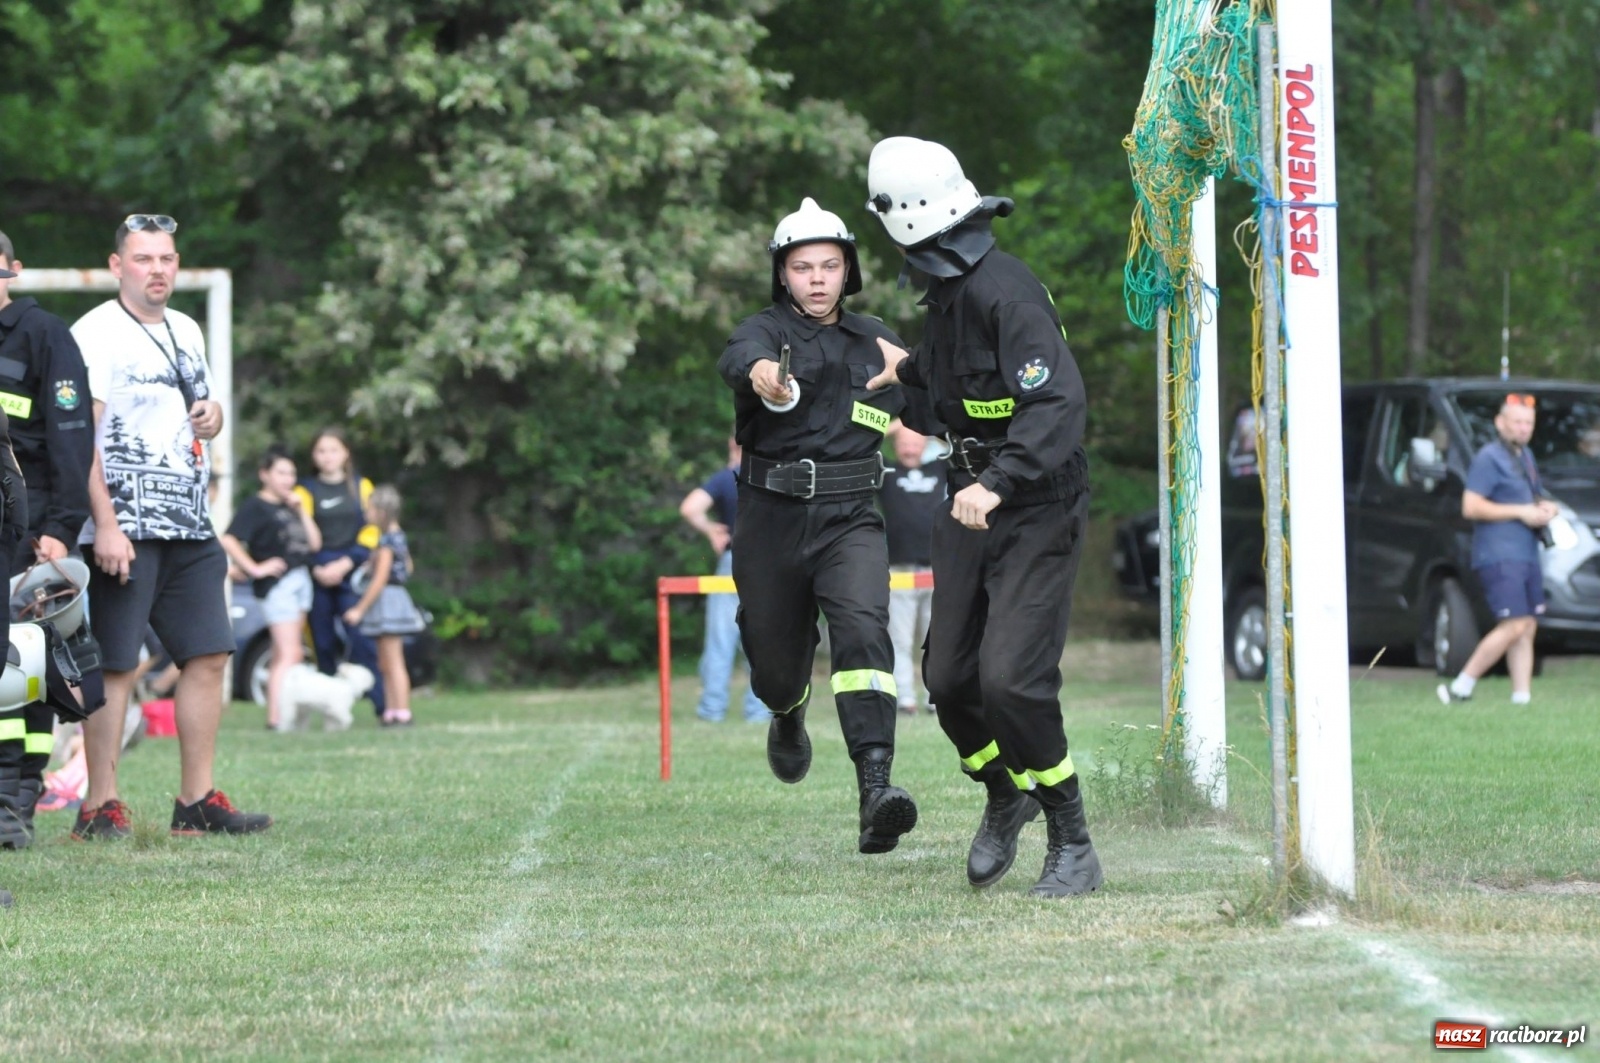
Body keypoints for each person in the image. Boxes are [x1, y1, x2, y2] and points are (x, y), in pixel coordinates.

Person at [863, 136, 1102, 898]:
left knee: (1010, 681)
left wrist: (998, 480)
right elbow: (946, 396)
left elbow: (1057, 401)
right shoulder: (946, 294)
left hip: (1033, 502)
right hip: (969, 499)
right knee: (948, 677)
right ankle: (1006, 794)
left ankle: (1073, 838)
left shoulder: (1006, 293)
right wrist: (894, 379)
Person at [717, 197, 920, 855]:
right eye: (802, 267)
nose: (816, 278)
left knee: (863, 631)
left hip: (852, 518)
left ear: (847, 270)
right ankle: (786, 711)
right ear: (783, 273)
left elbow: (928, 397)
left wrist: (916, 378)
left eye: (829, 265)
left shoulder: (876, 338)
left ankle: (875, 788)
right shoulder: (760, 332)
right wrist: (763, 376)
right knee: (775, 665)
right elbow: (739, 360)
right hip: (770, 518)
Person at [68, 212, 271, 839]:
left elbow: (197, 411)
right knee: (116, 665)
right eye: (143, 258)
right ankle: (99, 806)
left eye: (166, 259)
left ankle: (197, 801)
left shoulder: (187, 328)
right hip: (124, 525)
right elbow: (79, 439)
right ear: (117, 266)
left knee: (208, 654)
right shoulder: (94, 332)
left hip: (190, 520)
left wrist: (213, 416)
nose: (157, 270)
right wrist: (104, 524)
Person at [0, 232, 97, 845]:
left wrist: (61, 528)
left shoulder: (44, 335)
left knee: (23, 669)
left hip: (26, 528)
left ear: (13, 270)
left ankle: (14, 801)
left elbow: (71, 438)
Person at [1437, 393, 1558, 707]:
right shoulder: (1488, 458)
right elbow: (1471, 506)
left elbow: (1530, 498)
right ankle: (1461, 687)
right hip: (1500, 554)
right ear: (1500, 423)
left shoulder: (1525, 456)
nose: (1523, 428)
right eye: (1517, 422)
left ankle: (1521, 698)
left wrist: (1546, 508)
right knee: (1513, 624)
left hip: (1526, 552)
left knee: (1527, 626)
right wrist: (1520, 512)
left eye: (1528, 423)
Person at [221, 445, 322, 729]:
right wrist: (254, 568)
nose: (288, 479)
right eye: (281, 473)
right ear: (264, 474)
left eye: (292, 473)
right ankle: (276, 719)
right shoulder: (255, 506)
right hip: (278, 585)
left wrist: (302, 511)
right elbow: (229, 539)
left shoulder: (291, 505)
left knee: (287, 652)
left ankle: (287, 715)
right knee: (290, 653)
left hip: (301, 579)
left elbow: (315, 544)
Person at [295, 428, 384, 719]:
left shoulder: (361, 487)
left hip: (352, 571)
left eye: (333, 450)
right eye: (321, 451)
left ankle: (383, 707)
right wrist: (316, 567)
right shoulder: (304, 490)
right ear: (313, 456)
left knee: (361, 638)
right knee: (322, 642)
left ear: (345, 453)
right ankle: (329, 709)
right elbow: (297, 534)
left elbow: (372, 530)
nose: (328, 457)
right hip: (317, 572)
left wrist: (348, 562)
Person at [679, 436, 768, 724]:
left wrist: (711, 529)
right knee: (763, 639)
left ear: (732, 444)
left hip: (733, 562)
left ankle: (712, 709)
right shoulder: (771, 476)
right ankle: (758, 711)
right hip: (768, 565)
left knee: (720, 637)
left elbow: (690, 508)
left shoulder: (725, 479)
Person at [342, 485, 424, 726]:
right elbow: (408, 567)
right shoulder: (398, 537)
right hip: (392, 597)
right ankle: (391, 710)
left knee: (393, 660)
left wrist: (359, 609)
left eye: (369, 509)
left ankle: (402, 711)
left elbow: (379, 579)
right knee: (385, 661)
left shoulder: (387, 541)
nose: (366, 514)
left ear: (382, 512)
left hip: (388, 600)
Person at [879, 422, 945, 716]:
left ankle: (936, 697)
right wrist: (897, 426)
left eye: (915, 442)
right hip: (900, 572)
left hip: (937, 571)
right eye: (904, 443)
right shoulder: (887, 473)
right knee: (900, 640)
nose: (909, 448)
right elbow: (865, 443)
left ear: (925, 445)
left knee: (938, 639)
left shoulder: (939, 469)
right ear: (895, 445)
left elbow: (952, 442)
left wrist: (921, 426)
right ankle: (905, 699)